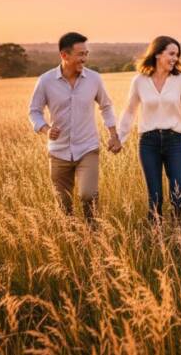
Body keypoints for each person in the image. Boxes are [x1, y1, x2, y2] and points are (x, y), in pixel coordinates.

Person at [28, 32, 121, 223]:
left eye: (86, 54)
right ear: (64, 55)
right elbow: (34, 111)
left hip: (87, 148)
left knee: (88, 195)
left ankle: (94, 235)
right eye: (80, 54)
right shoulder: (45, 81)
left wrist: (113, 135)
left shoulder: (94, 79)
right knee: (63, 205)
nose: (84, 59)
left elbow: (106, 106)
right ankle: (72, 240)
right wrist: (46, 129)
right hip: (58, 152)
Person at [117, 36, 181, 223]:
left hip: (175, 142)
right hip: (148, 142)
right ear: (157, 54)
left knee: (178, 196)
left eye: (177, 55)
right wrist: (119, 138)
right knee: (155, 197)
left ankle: (176, 230)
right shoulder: (139, 80)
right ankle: (157, 237)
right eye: (171, 54)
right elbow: (130, 111)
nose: (175, 58)